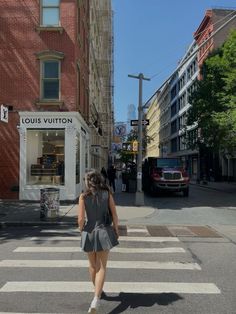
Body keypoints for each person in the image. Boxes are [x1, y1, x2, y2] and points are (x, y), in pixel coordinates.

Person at [78, 170, 119, 313]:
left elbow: (81, 219)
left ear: (88, 181)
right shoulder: (107, 193)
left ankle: (96, 290)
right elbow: (114, 213)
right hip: (103, 232)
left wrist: (81, 229)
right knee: (102, 267)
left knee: (92, 265)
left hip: (88, 232)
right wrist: (117, 229)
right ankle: (96, 297)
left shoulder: (83, 196)